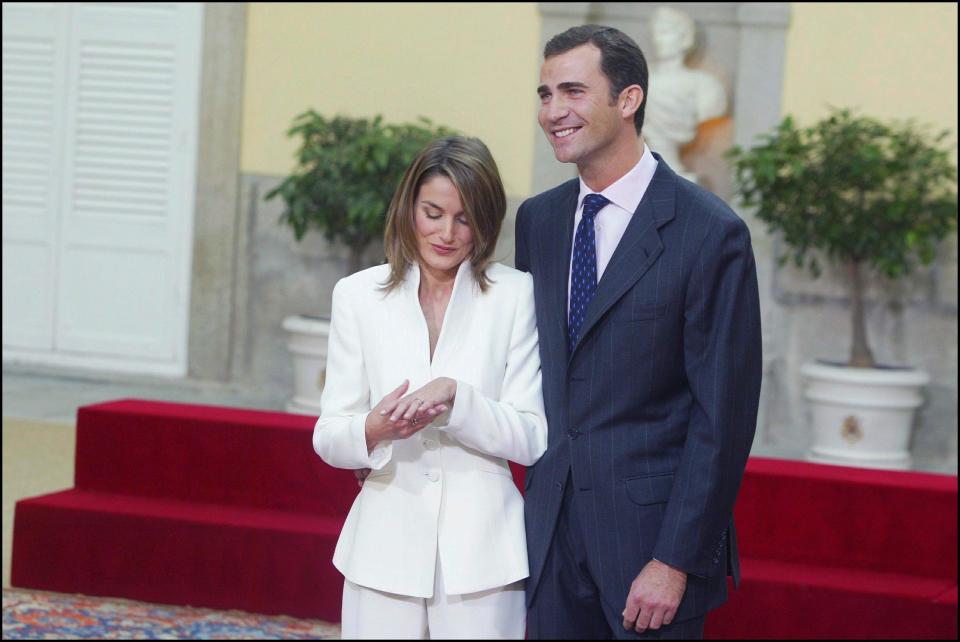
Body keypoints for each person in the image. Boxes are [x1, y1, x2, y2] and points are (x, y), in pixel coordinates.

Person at [516, 25, 761, 639]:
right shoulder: (538, 222)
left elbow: (722, 418)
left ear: (628, 100)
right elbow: (521, 363)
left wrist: (674, 560)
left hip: (649, 551)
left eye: (572, 91)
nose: (553, 112)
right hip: (546, 541)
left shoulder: (710, 232)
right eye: (545, 94)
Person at [313, 135, 548, 639]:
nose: (446, 232)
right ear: (408, 209)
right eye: (433, 212)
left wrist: (456, 398)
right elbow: (330, 433)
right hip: (382, 549)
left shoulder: (516, 296)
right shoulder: (357, 296)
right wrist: (372, 429)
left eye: (464, 218)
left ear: (485, 221)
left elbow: (531, 438)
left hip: (485, 556)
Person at [643, 7, 727, 180]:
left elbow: (711, 110)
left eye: (665, 33)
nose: (657, 40)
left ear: (685, 39)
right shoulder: (638, 81)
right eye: (655, 33)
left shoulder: (705, 85)